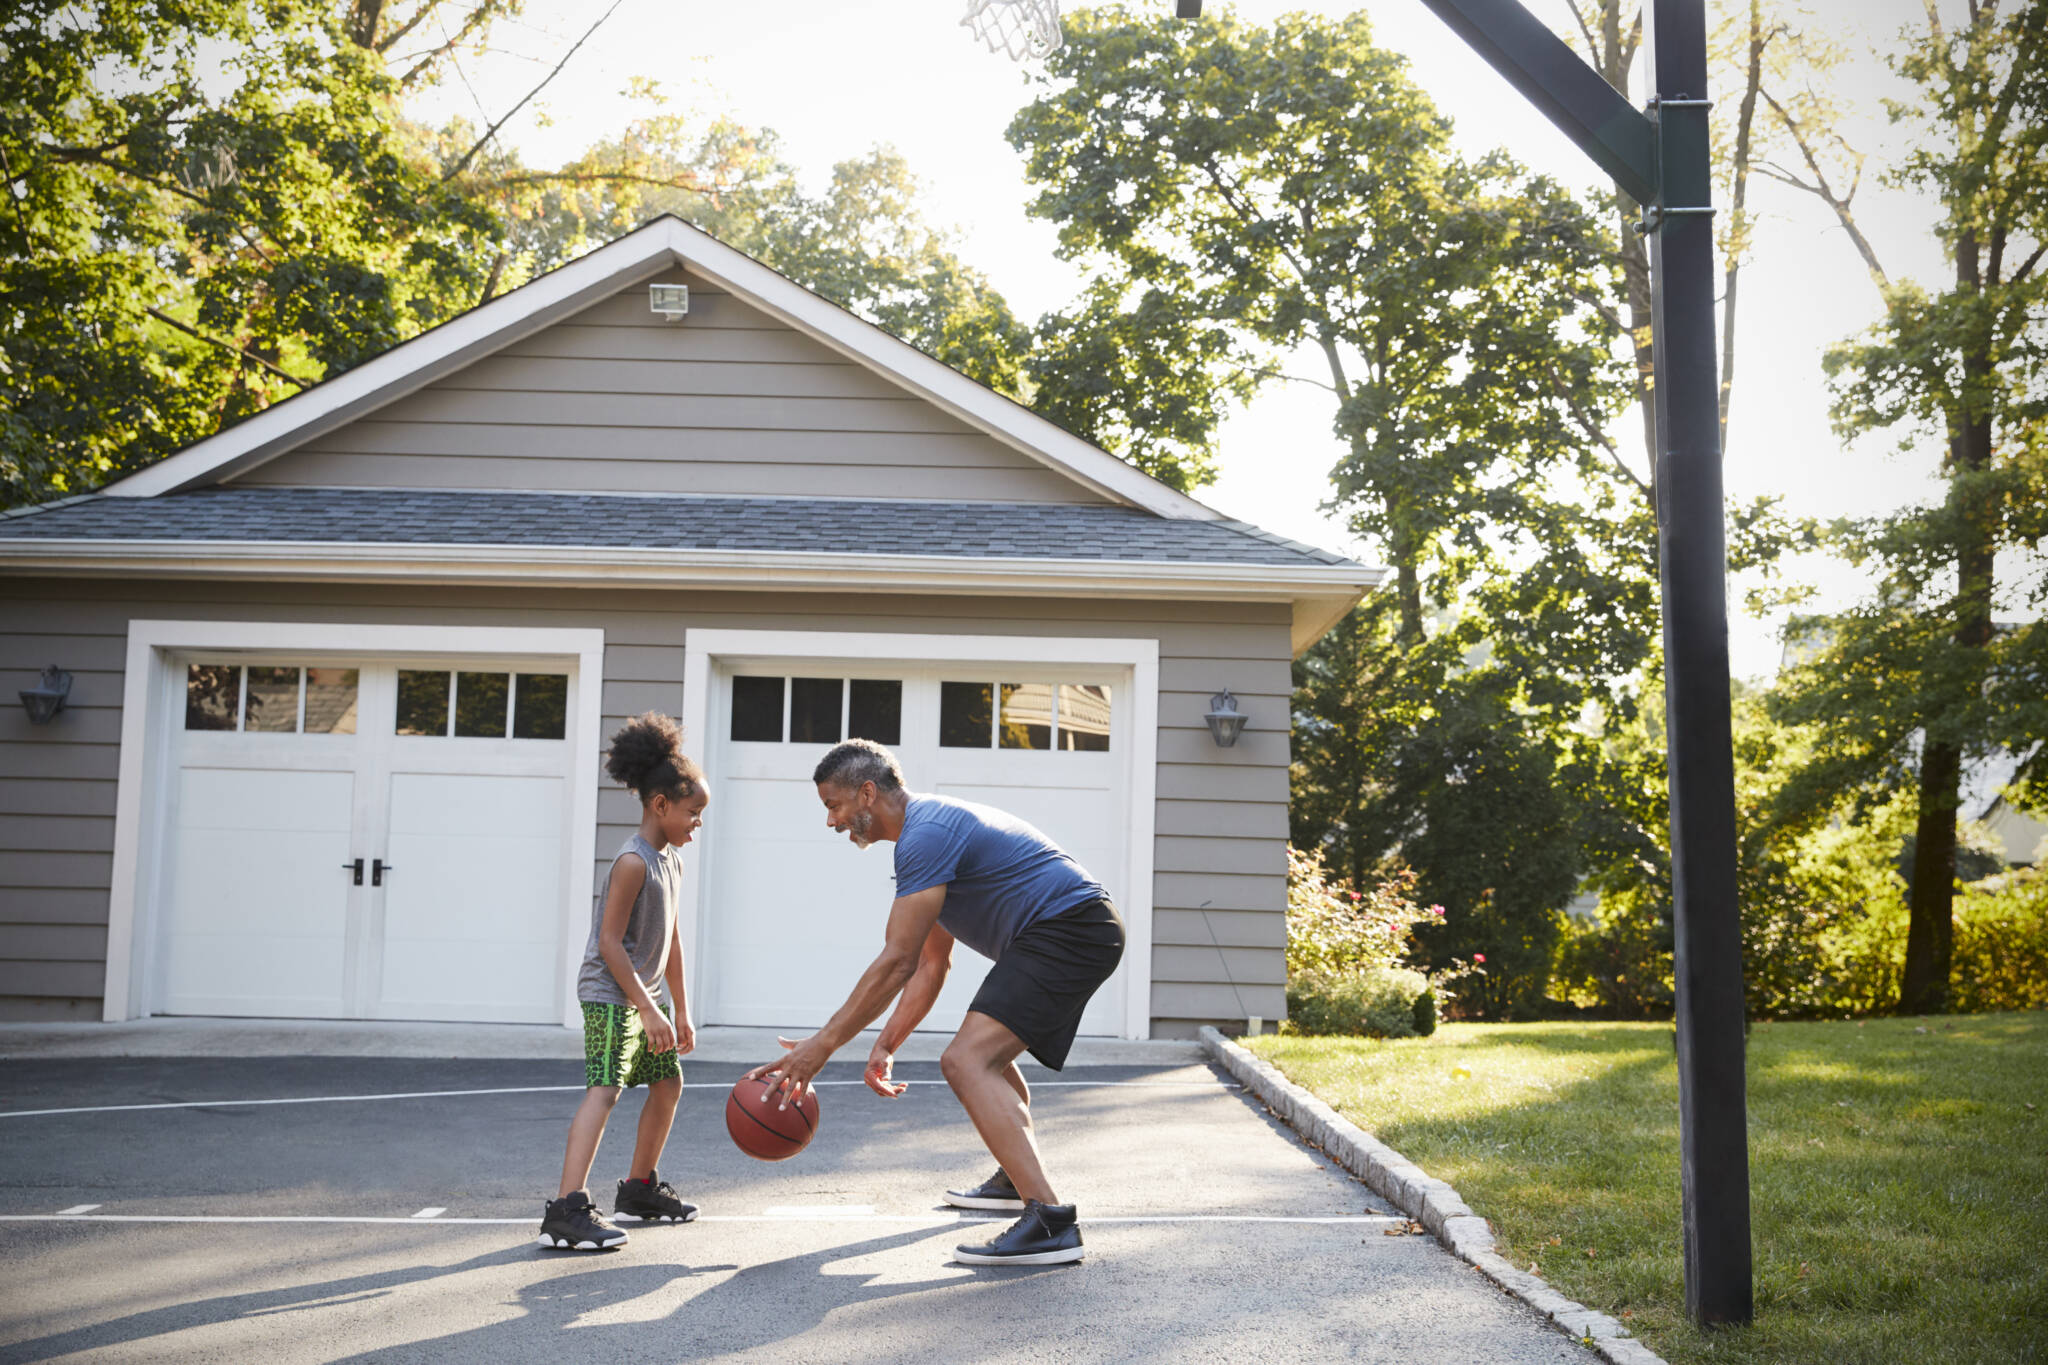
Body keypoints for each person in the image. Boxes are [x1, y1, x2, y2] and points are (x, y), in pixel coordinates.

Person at [747, 738, 1125, 1266]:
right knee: (984, 1056)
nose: (831, 822)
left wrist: (822, 1046)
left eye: (833, 806)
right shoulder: (927, 840)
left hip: (1071, 928)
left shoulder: (925, 835)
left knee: (968, 1060)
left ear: (867, 793)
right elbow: (930, 964)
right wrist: (885, 1044)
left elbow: (896, 961)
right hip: (1064, 929)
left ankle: (1050, 1221)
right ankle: (1017, 1179)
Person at [539, 713, 706, 1251]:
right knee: (605, 1090)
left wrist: (678, 1009)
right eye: (692, 811)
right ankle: (566, 1208)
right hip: (612, 994)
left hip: (645, 998)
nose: (697, 822)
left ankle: (638, 1188)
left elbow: (672, 940)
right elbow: (610, 944)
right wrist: (648, 1009)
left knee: (668, 1082)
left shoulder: (671, 861)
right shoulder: (633, 861)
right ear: (661, 804)